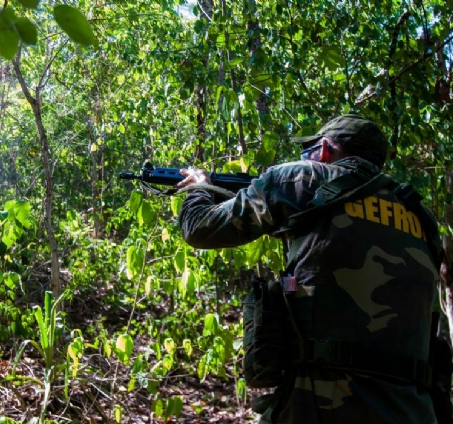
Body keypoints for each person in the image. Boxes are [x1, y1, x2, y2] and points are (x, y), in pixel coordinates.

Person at [177, 115, 444, 424]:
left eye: (311, 150)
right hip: (413, 409)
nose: (308, 157)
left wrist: (200, 187)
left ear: (326, 150)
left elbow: (200, 228)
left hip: (319, 402)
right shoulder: (420, 214)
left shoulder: (298, 179)